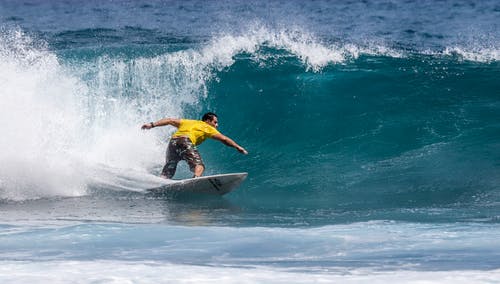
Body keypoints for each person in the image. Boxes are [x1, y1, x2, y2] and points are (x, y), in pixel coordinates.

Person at [141, 112, 248, 178]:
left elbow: (169, 120)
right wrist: (238, 147)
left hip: (173, 142)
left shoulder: (188, 122)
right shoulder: (207, 127)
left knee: (169, 170)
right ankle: (196, 180)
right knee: (199, 166)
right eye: (215, 122)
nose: (216, 125)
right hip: (184, 141)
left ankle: (162, 181)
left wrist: (152, 124)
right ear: (207, 120)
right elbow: (224, 139)